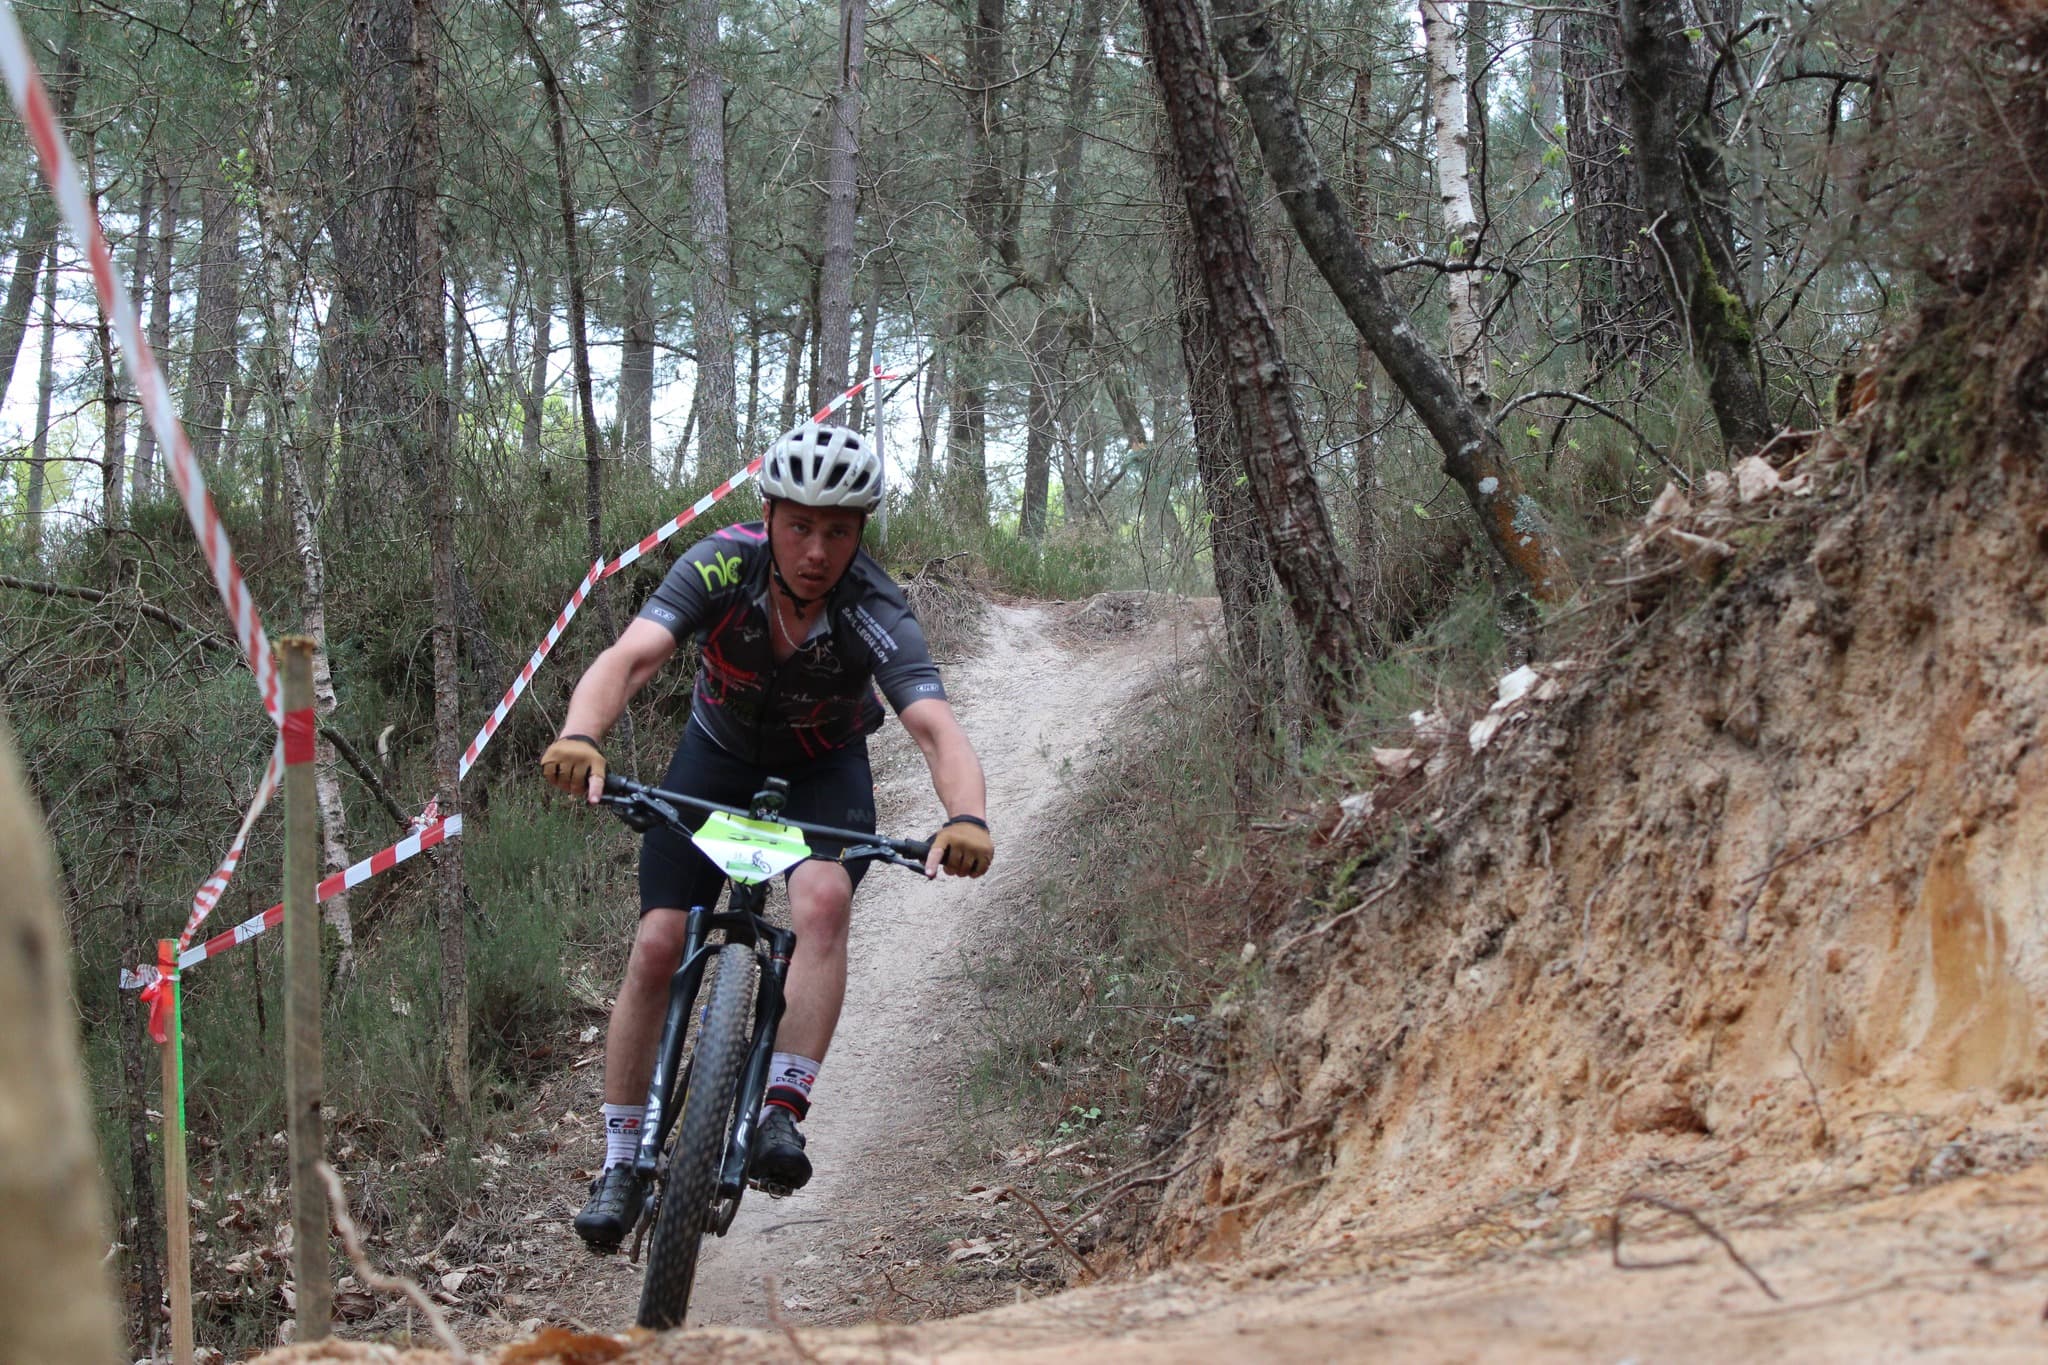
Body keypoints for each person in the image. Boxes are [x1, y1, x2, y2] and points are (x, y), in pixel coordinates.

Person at [540, 422, 994, 1254]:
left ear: (861, 534)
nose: (816, 549)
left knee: (821, 900)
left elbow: (932, 726)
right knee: (657, 942)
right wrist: (581, 733)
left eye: (838, 531)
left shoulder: (875, 605)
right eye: (799, 525)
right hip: (713, 756)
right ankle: (617, 1160)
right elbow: (634, 656)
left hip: (823, 768)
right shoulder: (721, 563)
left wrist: (966, 817)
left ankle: (781, 1111)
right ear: (768, 513)